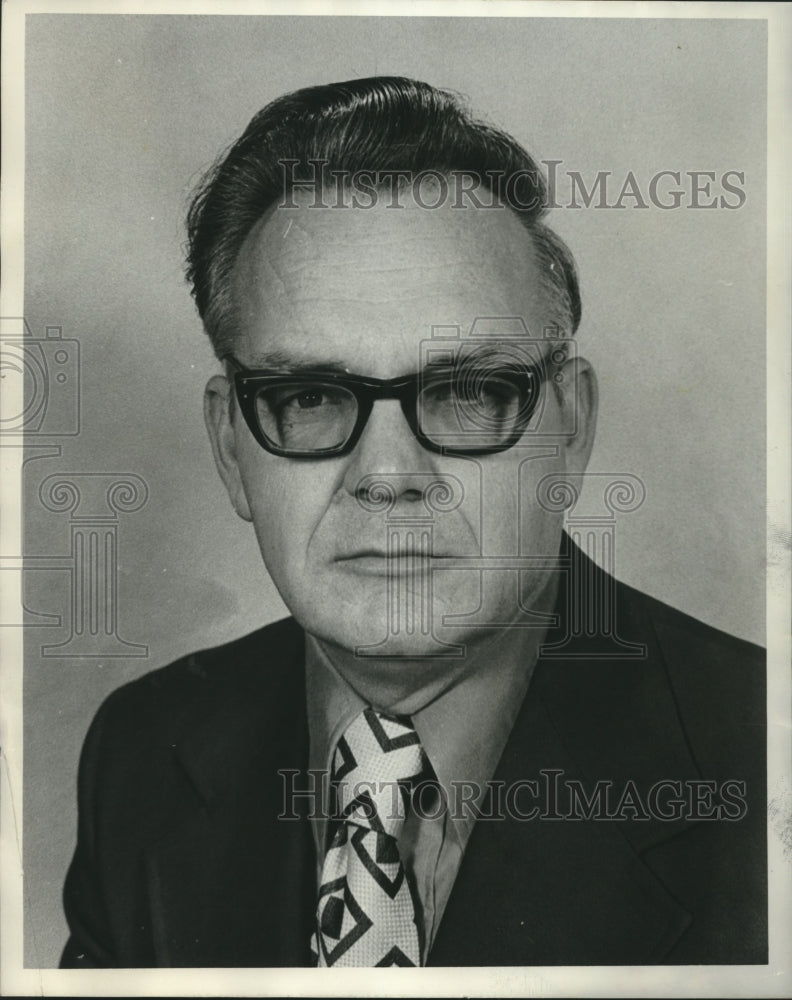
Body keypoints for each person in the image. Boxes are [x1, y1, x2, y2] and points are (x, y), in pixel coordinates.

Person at [60, 76, 766, 968]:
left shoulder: (761, 756)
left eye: (468, 391)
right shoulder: (143, 750)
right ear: (232, 448)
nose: (389, 476)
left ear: (572, 428)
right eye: (309, 396)